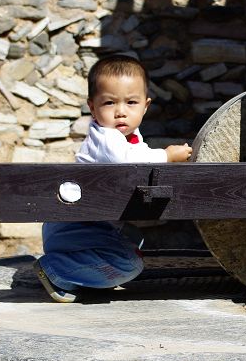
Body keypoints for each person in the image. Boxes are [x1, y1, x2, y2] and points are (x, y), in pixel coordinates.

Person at [34, 54, 192, 302]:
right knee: (130, 264)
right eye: (109, 103)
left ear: (145, 106)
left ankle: (82, 274)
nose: (120, 112)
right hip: (74, 225)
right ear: (93, 107)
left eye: (131, 102)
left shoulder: (130, 138)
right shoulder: (106, 139)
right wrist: (166, 155)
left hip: (83, 224)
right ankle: (57, 269)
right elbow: (127, 162)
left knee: (133, 240)